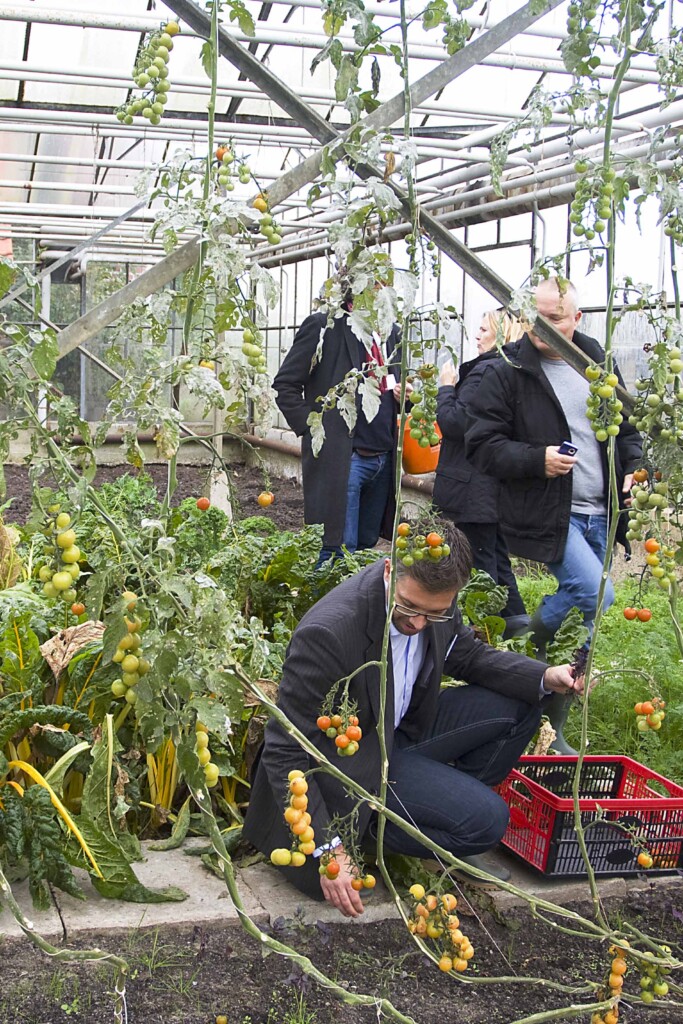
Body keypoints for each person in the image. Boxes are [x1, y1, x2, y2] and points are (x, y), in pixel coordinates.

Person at [243, 519, 583, 917]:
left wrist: (544, 676)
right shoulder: (331, 632)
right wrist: (326, 847)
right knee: (487, 823)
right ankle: (368, 833)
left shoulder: (434, 596)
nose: (419, 623)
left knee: (524, 701)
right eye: (409, 608)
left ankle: (442, 821)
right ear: (389, 571)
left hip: (397, 735)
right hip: (348, 768)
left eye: (433, 614)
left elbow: (467, 656)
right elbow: (286, 749)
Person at [465, 278, 642, 753]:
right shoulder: (509, 369)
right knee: (597, 596)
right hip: (548, 509)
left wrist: (636, 467)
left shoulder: (595, 364)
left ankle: (551, 720)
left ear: (577, 319)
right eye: (537, 317)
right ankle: (529, 633)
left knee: (582, 621)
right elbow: (481, 445)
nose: (546, 328)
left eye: (557, 318)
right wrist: (535, 459)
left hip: (601, 509)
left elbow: (626, 428)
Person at [273, 291, 402, 565]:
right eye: (377, 284)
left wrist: (404, 396)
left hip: (383, 457)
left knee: (367, 546)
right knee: (336, 550)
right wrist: (313, 428)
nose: (385, 291)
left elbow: (391, 385)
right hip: (344, 456)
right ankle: (325, 606)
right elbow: (286, 385)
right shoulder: (324, 326)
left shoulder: (393, 333)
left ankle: (356, 607)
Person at [433, 309, 528, 636]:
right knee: (497, 566)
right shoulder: (514, 368)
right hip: (492, 488)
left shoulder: (488, 370)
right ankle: (523, 638)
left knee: (481, 571)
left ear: (501, 335)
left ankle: (488, 640)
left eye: (484, 329)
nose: (477, 334)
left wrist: (446, 388)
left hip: (473, 487)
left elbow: (456, 423)